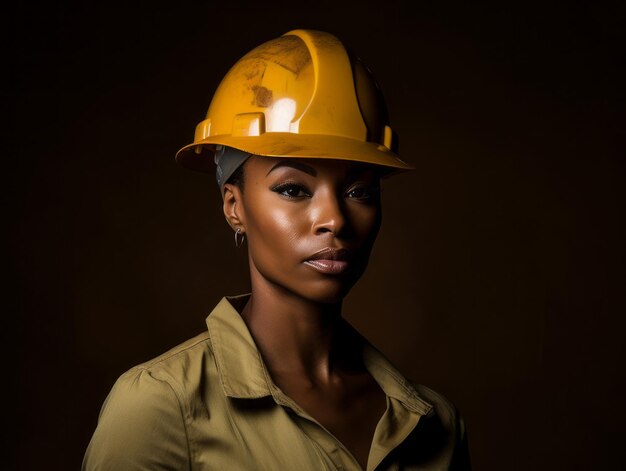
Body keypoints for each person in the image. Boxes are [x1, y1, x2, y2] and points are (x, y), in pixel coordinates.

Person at [82, 29, 471, 470]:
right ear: (235, 206)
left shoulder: (434, 424)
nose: (335, 219)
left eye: (359, 191)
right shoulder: (161, 408)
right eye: (293, 189)